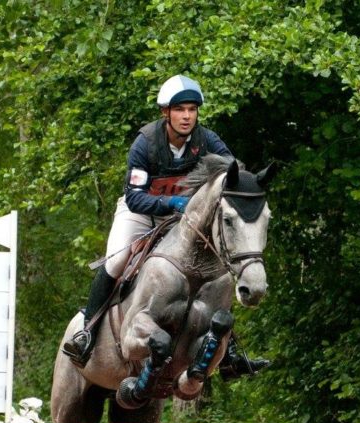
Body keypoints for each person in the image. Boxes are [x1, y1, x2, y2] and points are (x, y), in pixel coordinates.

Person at [62, 75, 269, 379]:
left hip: (186, 219)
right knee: (117, 260)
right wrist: (170, 205)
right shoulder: (145, 143)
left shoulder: (208, 140)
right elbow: (134, 197)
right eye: (180, 109)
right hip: (142, 212)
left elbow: (233, 175)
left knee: (220, 271)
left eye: (192, 110)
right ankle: (88, 333)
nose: (187, 116)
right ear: (165, 113)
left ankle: (230, 352)